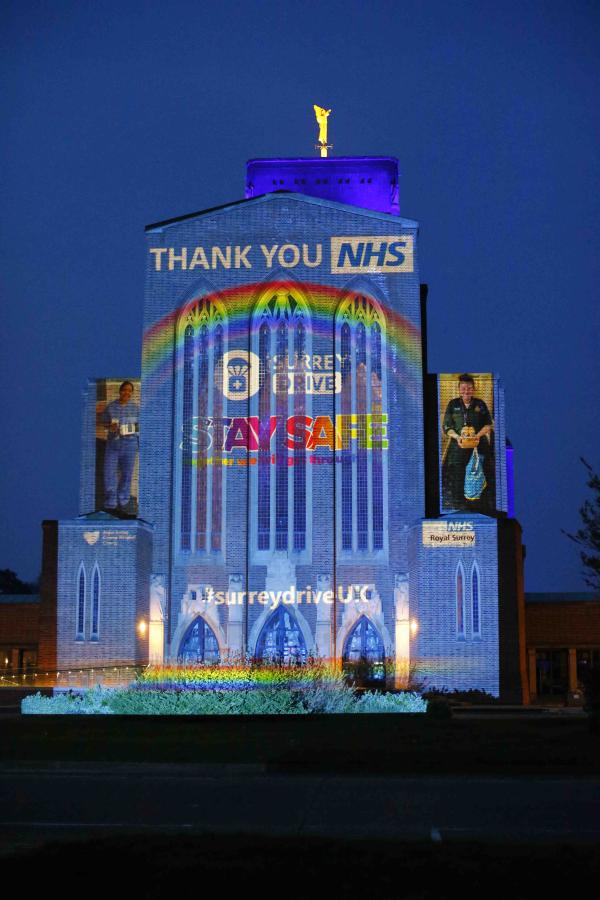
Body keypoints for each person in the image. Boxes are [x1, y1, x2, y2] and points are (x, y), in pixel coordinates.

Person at [441, 374, 494, 512]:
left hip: (479, 445)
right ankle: (459, 504)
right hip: (458, 446)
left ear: (474, 389)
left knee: (481, 472)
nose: (466, 391)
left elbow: (488, 424)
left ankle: (478, 503)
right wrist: (458, 437)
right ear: (459, 389)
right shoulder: (453, 404)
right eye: (463, 388)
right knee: (458, 474)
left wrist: (477, 435)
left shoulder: (480, 404)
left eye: (469, 388)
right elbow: (446, 427)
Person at [102, 380, 139, 516]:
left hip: (130, 445)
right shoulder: (110, 407)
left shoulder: (135, 408)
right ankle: (111, 501)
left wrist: (127, 430)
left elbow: (139, 427)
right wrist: (109, 426)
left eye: (130, 390)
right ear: (120, 391)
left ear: (131, 393)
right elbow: (104, 422)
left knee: (127, 474)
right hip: (113, 445)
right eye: (124, 390)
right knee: (109, 473)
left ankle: (123, 500)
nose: (127, 392)